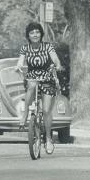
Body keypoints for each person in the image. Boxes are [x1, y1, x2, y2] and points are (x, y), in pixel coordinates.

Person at [16, 22, 62, 154]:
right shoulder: (25, 48)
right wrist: (18, 66)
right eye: (32, 33)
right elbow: (20, 61)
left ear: (41, 34)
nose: (35, 35)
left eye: (37, 32)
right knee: (31, 84)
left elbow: (55, 59)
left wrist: (57, 65)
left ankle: (48, 138)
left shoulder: (47, 46)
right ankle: (25, 115)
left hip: (47, 78)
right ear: (28, 36)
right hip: (32, 77)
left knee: (46, 110)